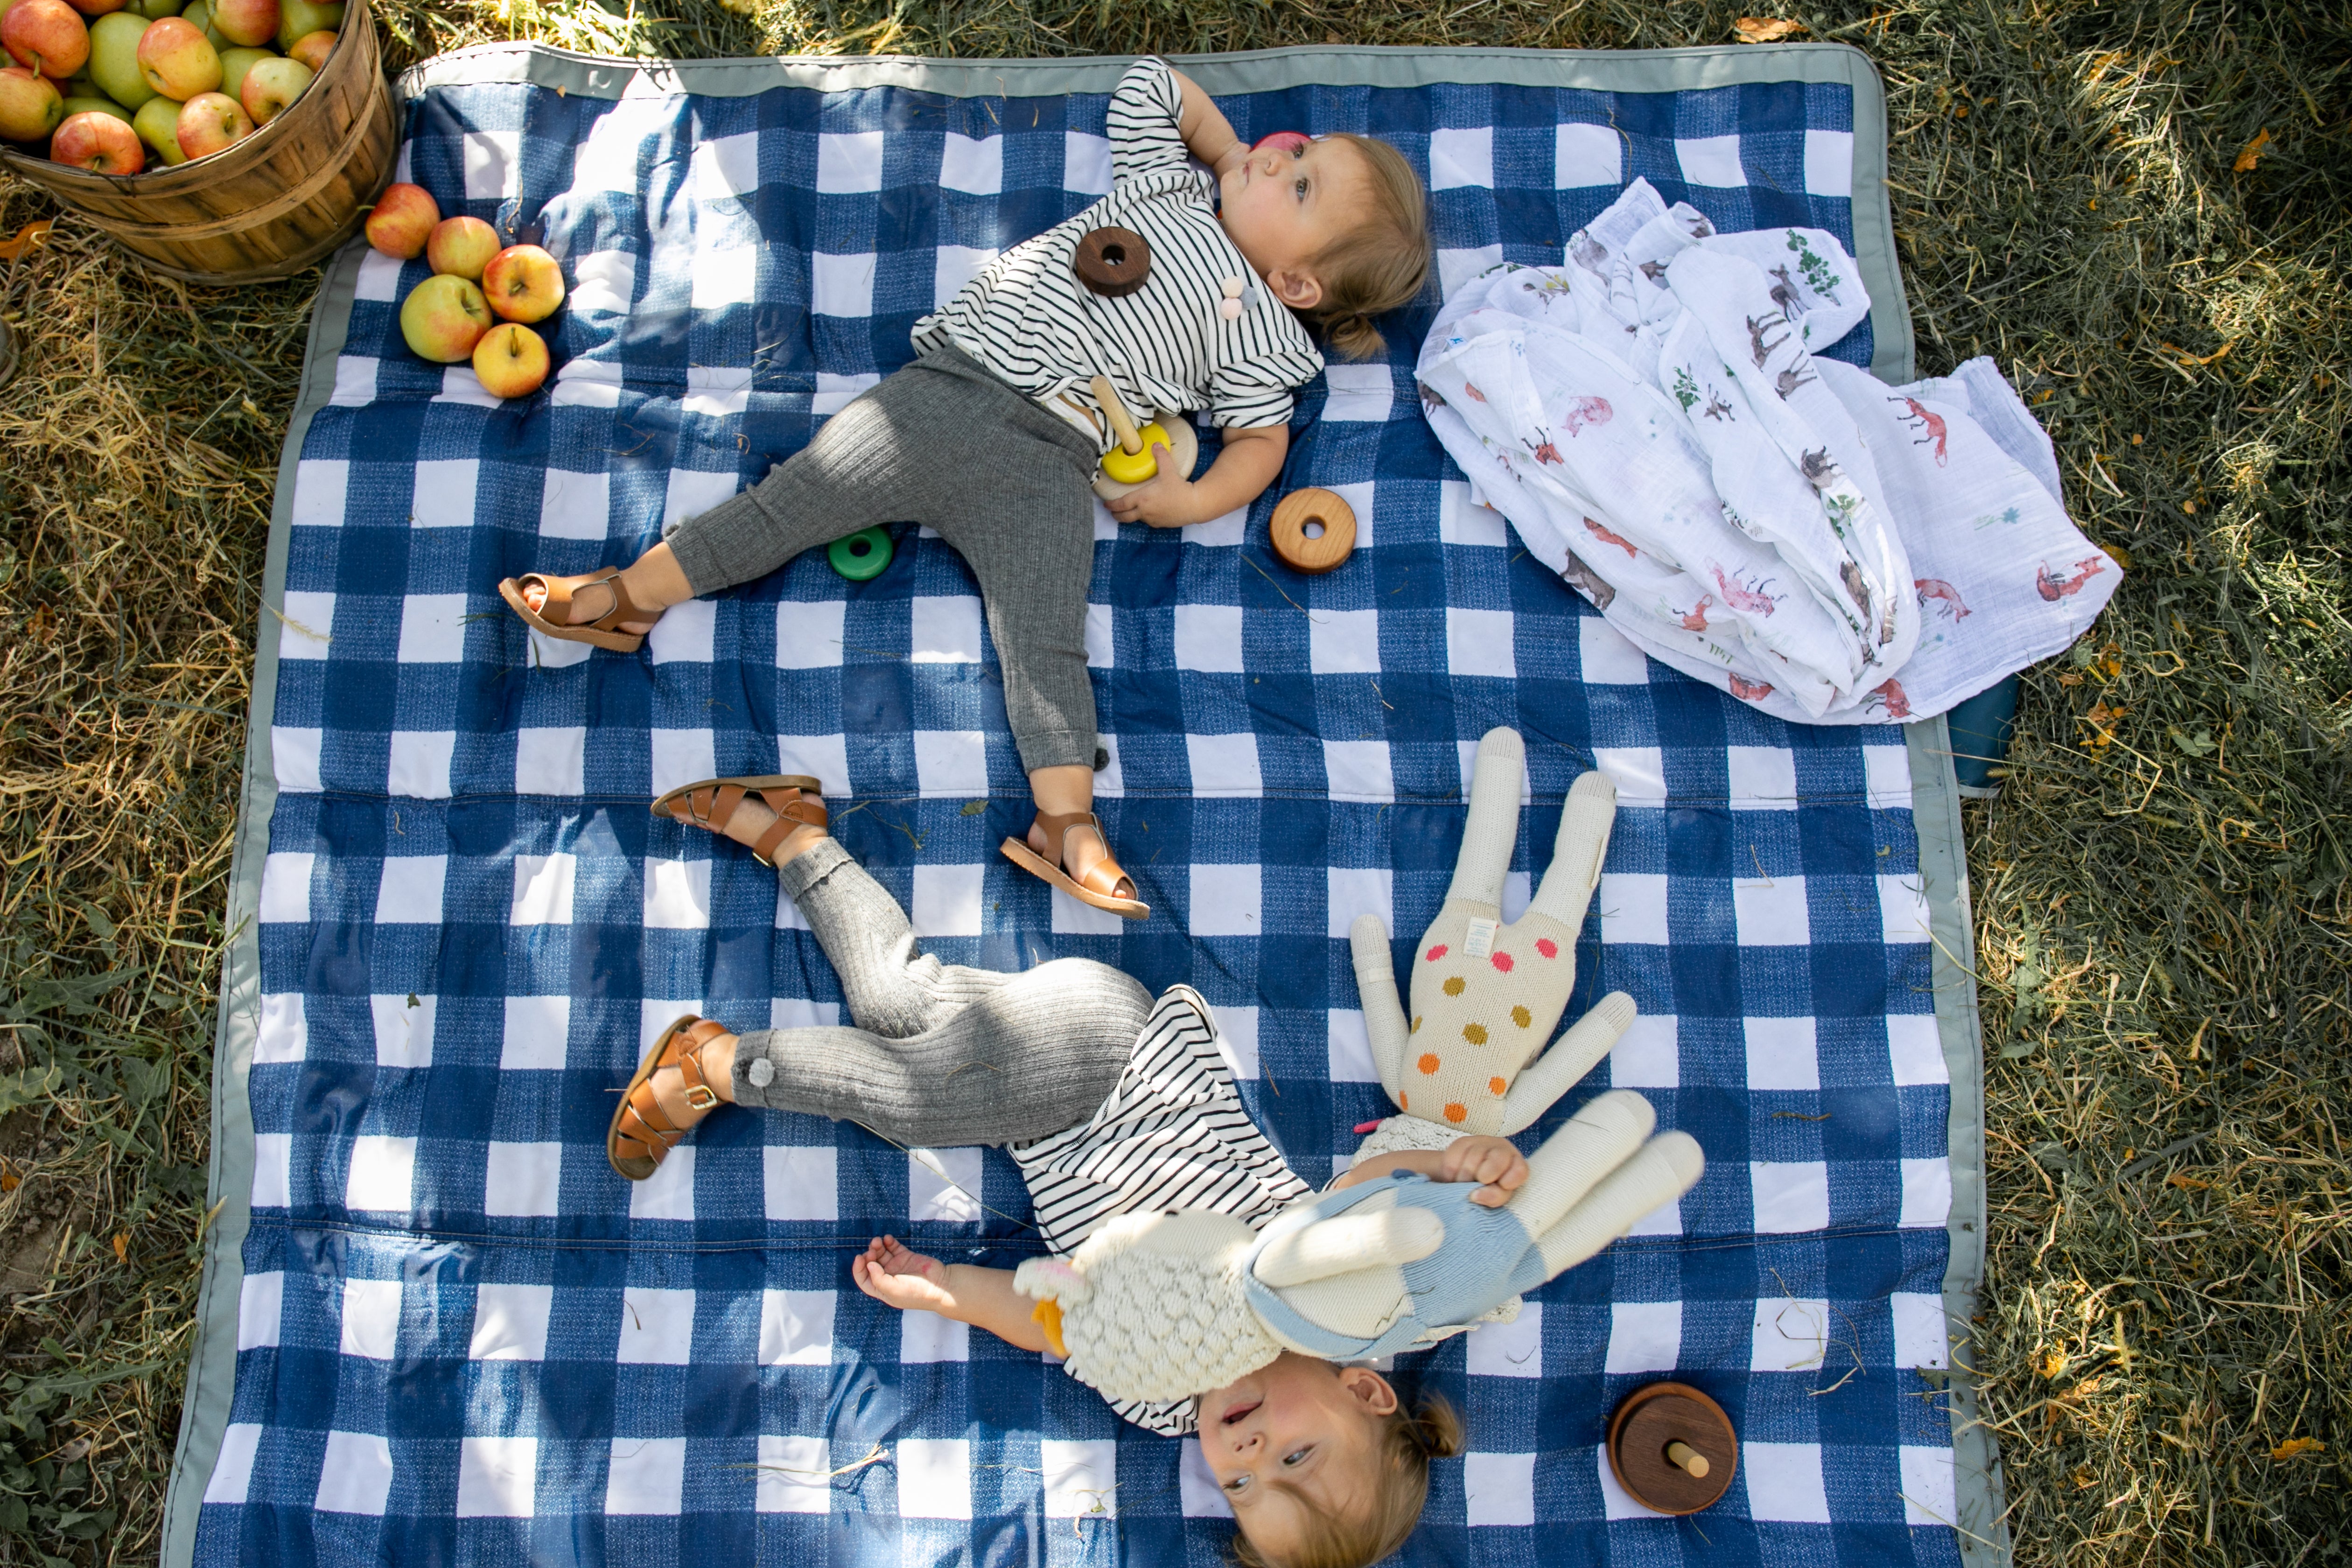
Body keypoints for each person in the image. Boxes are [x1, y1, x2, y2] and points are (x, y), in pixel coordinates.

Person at [500, 58, 1430, 921]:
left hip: (1052, 463)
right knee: (792, 501)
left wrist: (1189, 501)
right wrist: (1227, 155)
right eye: (1298, 152)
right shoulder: (1172, 188)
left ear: (1297, 283)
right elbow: (1152, 86)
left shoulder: (1266, 337)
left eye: (1299, 186)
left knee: (1045, 641)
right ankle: (628, 598)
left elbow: (1261, 443)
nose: (1277, 159)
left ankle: (1067, 825)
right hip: (945, 394)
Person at [607, 773, 1491, 1568]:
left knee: (899, 1004)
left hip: (1033, 1117)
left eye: (1243, 1489)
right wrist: (1449, 1164)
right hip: (1114, 1060)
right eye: (1297, 1456)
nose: (1252, 1457)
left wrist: (944, 1288)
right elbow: (1369, 1197)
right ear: (1364, 1389)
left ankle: (796, 835)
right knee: (910, 1102)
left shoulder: (1158, 1398)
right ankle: (719, 1064)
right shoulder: (1320, 1295)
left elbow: (1053, 1319)